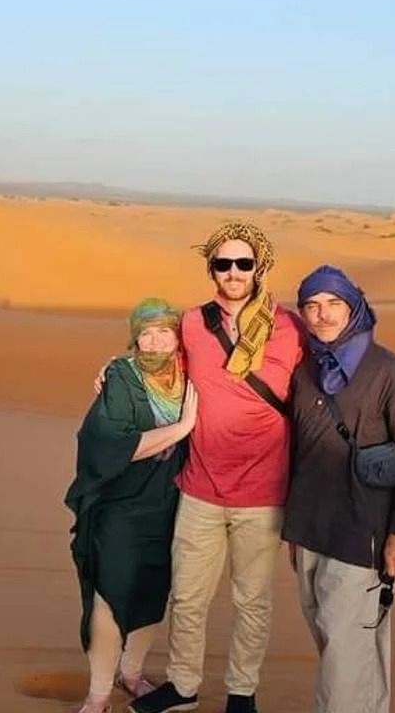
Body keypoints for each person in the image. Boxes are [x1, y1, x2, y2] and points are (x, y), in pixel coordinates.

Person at [128, 220, 304, 713]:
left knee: (252, 602)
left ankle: (242, 693)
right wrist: (114, 370)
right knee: (187, 598)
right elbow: (158, 362)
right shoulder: (191, 323)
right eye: (223, 263)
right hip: (200, 489)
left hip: (264, 494)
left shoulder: (290, 328)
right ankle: (183, 687)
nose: (233, 272)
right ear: (212, 269)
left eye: (243, 263)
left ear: (258, 268)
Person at [282, 265, 395, 713]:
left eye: (334, 303)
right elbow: (297, 449)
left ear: (353, 307)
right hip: (310, 529)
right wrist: (294, 528)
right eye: (312, 306)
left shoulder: (389, 372)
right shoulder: (305, 369)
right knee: (336, 640)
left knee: (344, 648)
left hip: (363, 530)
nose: (323, 314)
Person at [66, 298, 200, 713]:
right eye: (146, 333)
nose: (155, 341)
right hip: (119, 506)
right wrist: (183, 427)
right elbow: (112, 444)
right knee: (110, 592)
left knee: (152, 592)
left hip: (170, 504)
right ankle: (99, 694)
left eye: (164, 331)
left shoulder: (194, 377)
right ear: (134, 339)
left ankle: (131, 672)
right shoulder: (122, 377)